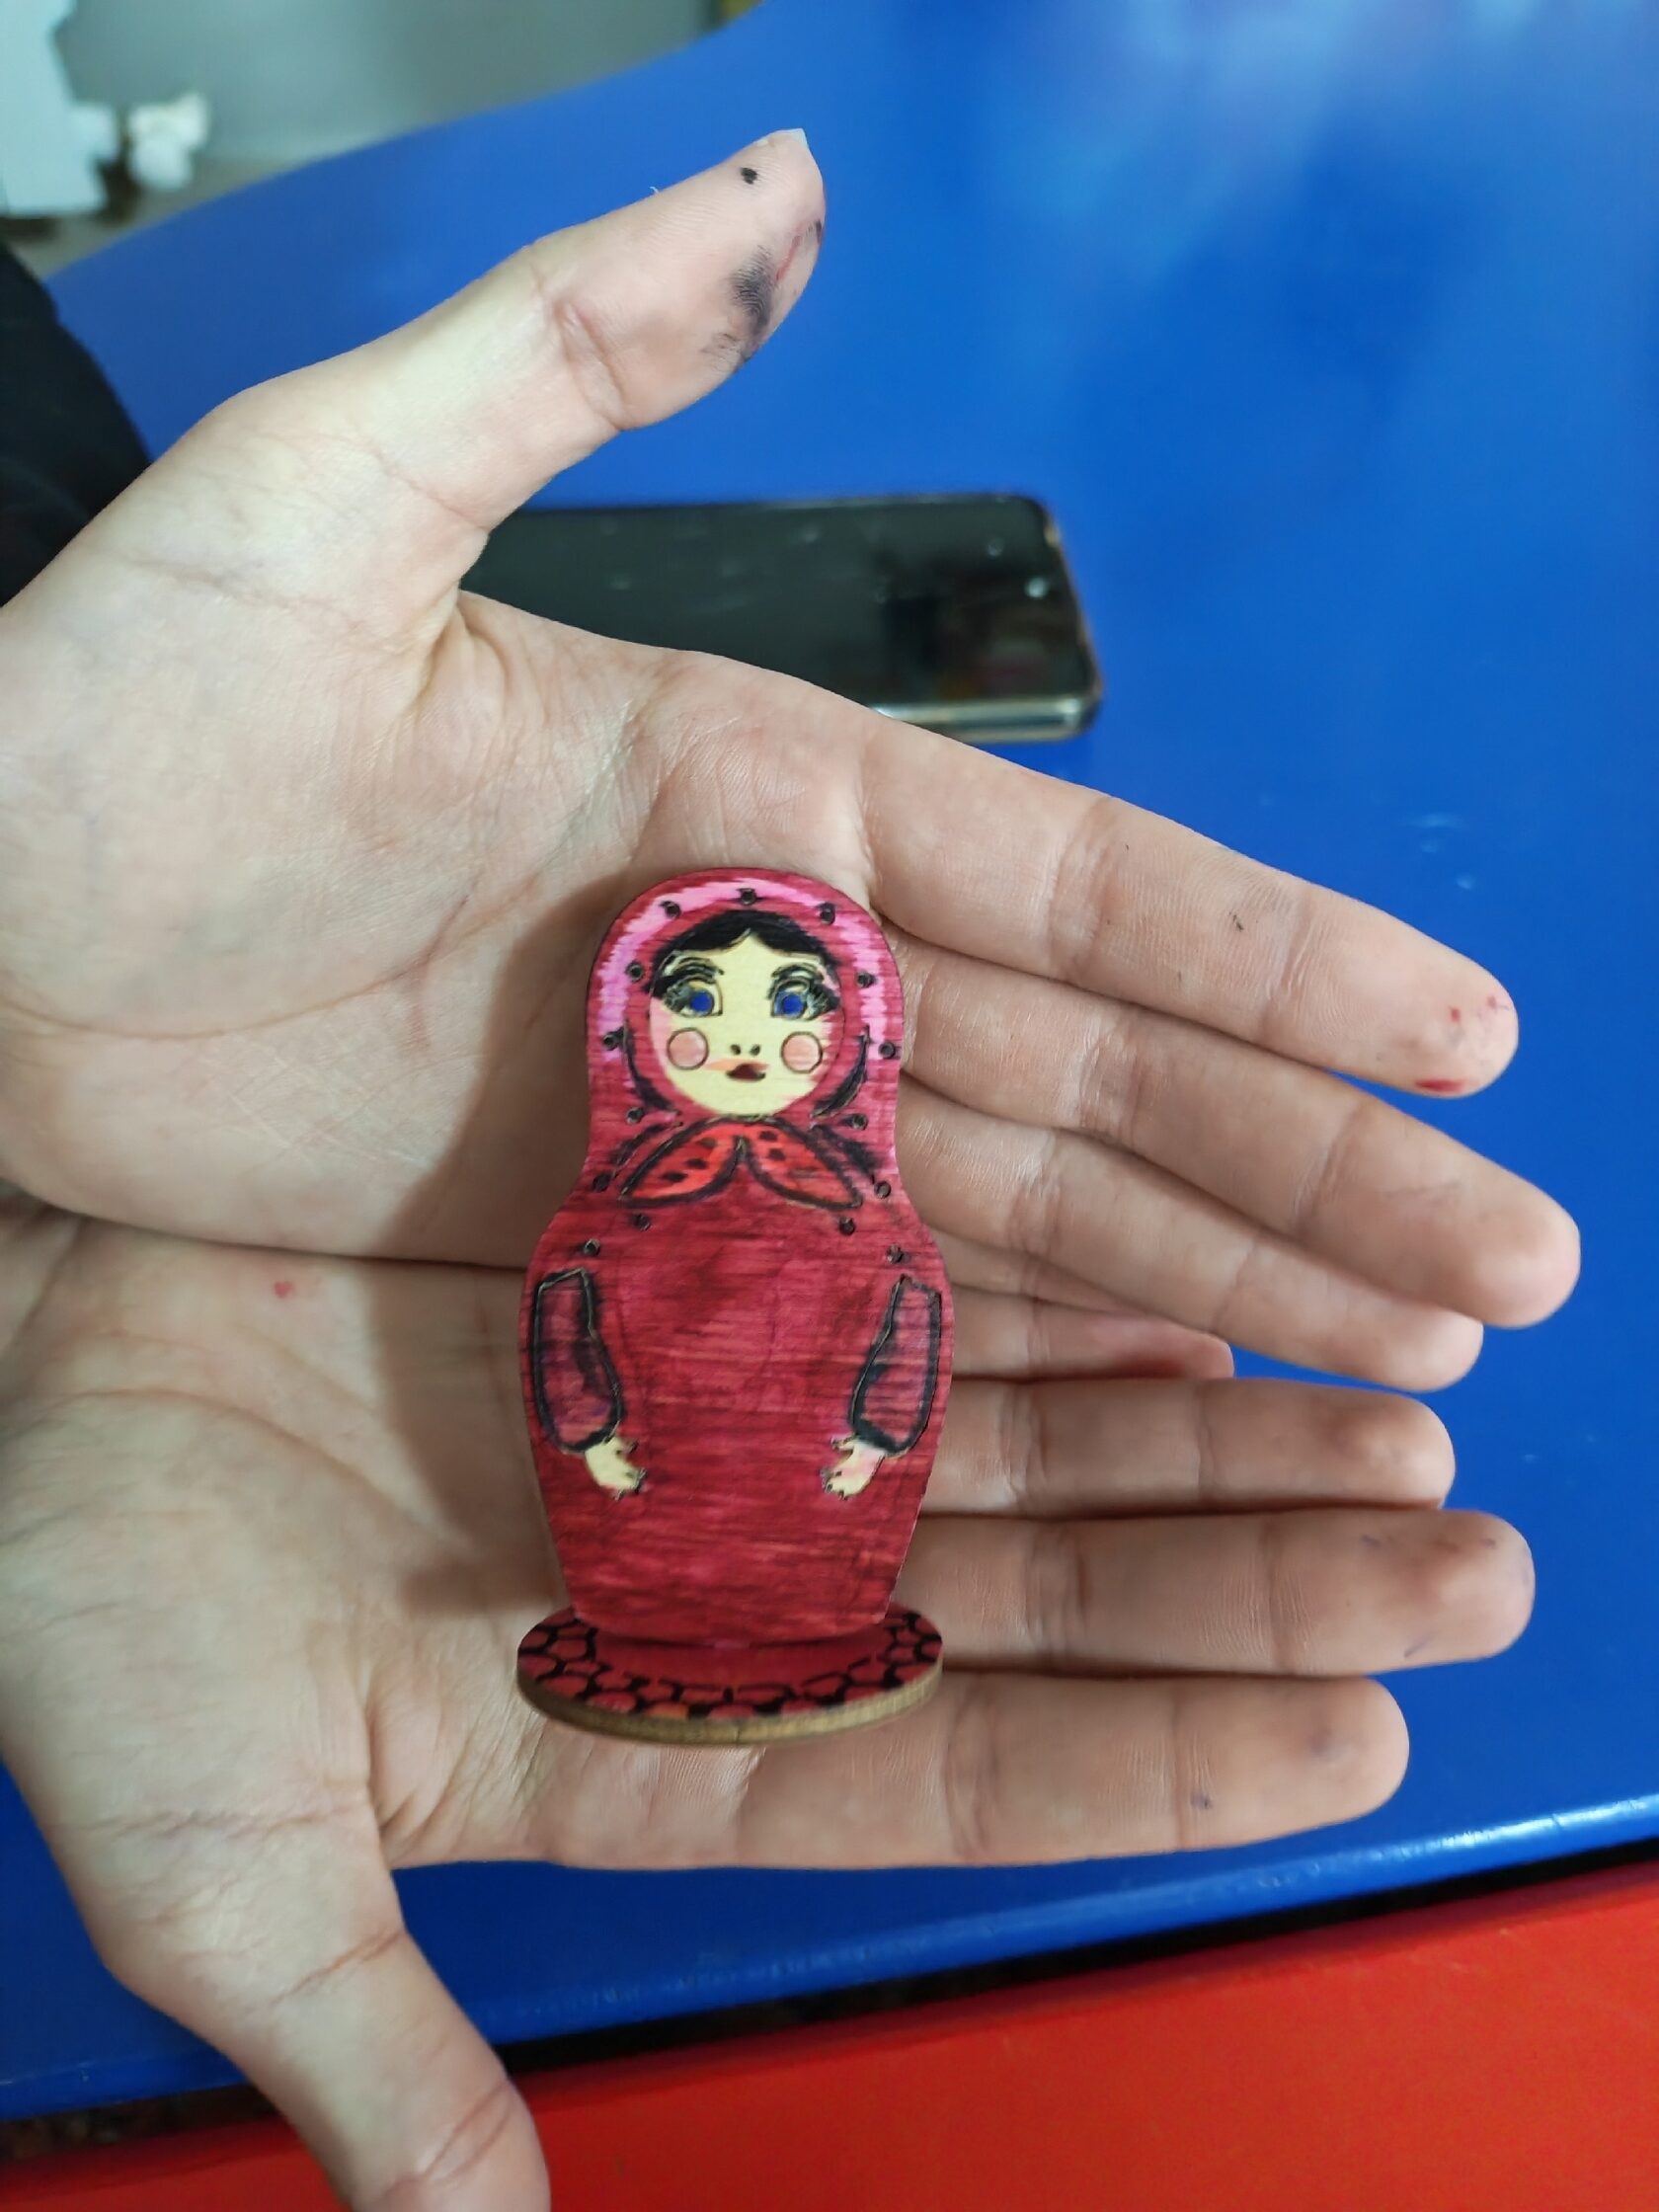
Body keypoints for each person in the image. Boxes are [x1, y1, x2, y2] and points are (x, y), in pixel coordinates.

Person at [0, 134, 1577, 2211]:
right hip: (631, 1507)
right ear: (644, 1020)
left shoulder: (862, 1217)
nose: (743, 1042)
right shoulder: (605, 1209)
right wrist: (598, 1435)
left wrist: (862, 1441)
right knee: (672, 1552)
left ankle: (782, 1618)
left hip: (816, 1517)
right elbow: (571, 1329)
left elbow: (906, 1333)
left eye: (780, 1017)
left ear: (839, 1034)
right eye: (708, 1012)